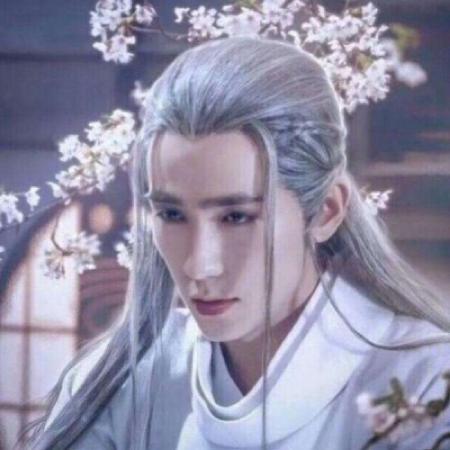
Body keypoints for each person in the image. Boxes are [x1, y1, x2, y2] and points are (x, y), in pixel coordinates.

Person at [24, 36, 450, 450]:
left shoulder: (427, 385)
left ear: (325, 211)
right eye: (171, 214)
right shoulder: (115, 382)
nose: (199, 265)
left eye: (236, 217)